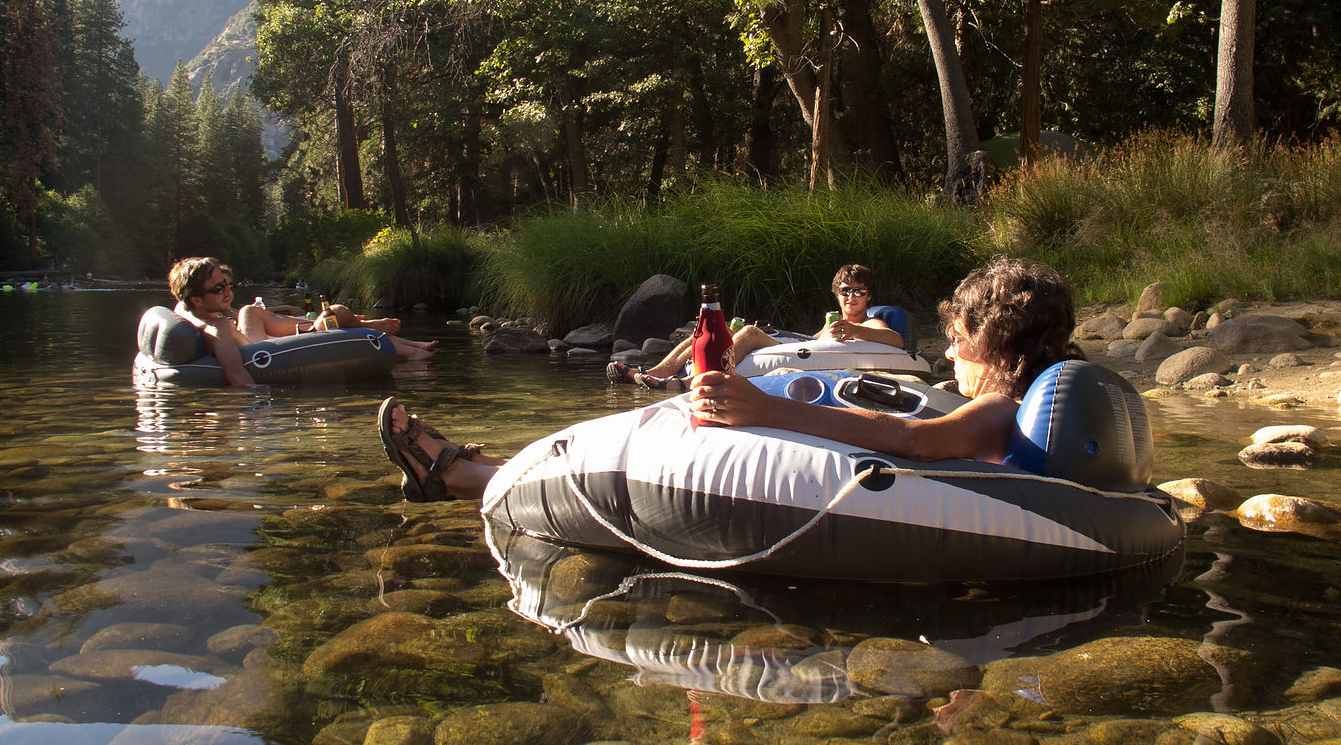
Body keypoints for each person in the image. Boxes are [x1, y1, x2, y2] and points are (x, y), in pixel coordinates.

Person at [380, 256, 1083, 500]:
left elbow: (918, 442)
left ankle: (467, 476)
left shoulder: (1002, 412)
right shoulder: (1027, 406)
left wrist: (765, 411)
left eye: (960, 337)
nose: (951, 350)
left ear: (998, 343)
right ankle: (487, 469)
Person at [607, 264, 904, 388]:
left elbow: (895, 340)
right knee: (711, 332)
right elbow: (810, 343)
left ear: (869, 295)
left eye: (858, 291)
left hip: (798, 350)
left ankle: (689, 383)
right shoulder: (832, 322)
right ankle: (655, 373)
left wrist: (857, 330)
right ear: (836, 293)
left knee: (748, 334)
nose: (850, 297)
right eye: (845, 290)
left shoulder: (869, 321)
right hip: (799, 344)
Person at [169, 257, 438, 386]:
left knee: (250, 311)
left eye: (228, 285)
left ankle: (407, 346)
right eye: (218, 289)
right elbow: (238, 376)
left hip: (266, 340)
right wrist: (262, 419)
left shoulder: (195, 312)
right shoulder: (218, 329)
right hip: (276, 352)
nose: (227, 292)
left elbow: (183, 305)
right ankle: (404, 347)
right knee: (337, 312)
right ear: (197, 299)